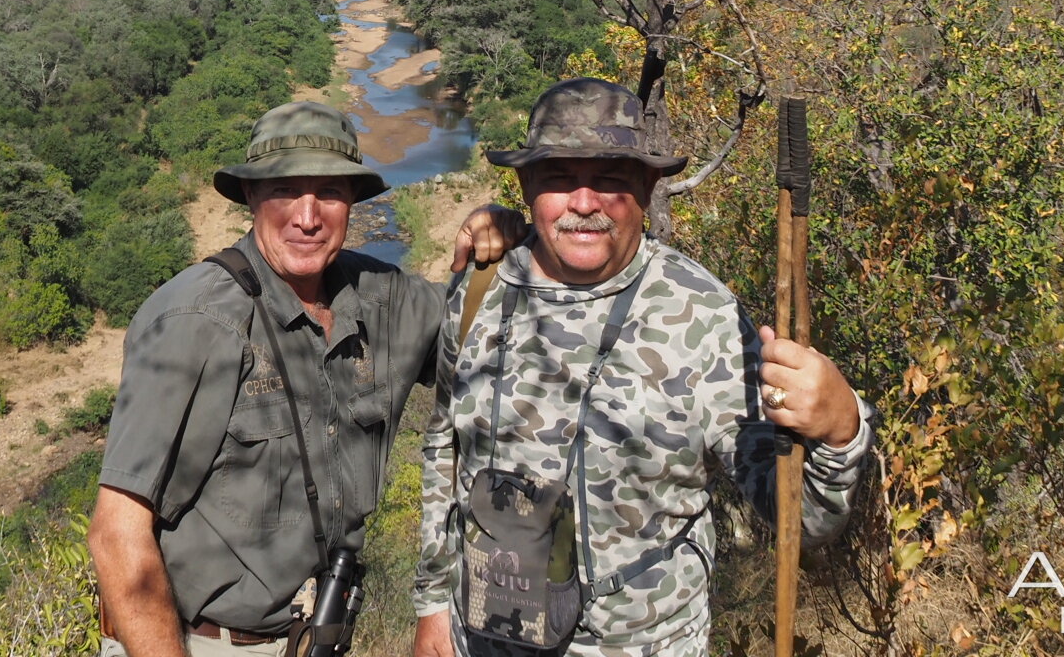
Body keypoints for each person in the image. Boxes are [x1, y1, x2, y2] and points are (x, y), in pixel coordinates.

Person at [413, 78, 876, 657]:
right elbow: (442, 446)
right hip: (481, 632)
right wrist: (433, 604)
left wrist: (840, 429)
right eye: (558, 178)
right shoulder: (479, 289)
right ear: (526, 185)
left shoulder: (704, 318)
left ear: (648, 186)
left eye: (611, 179)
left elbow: (802, 522)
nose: (585, 203)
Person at [91, 100, 523, 657]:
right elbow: (117, 535)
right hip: (200, 645)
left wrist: (499, 236)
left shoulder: (383, 298)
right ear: (249, 196)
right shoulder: (196, 320)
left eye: (330, 193)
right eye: (284, 190)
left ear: (353, 203)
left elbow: (481, 349)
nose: (307, 216)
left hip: (320, 636)